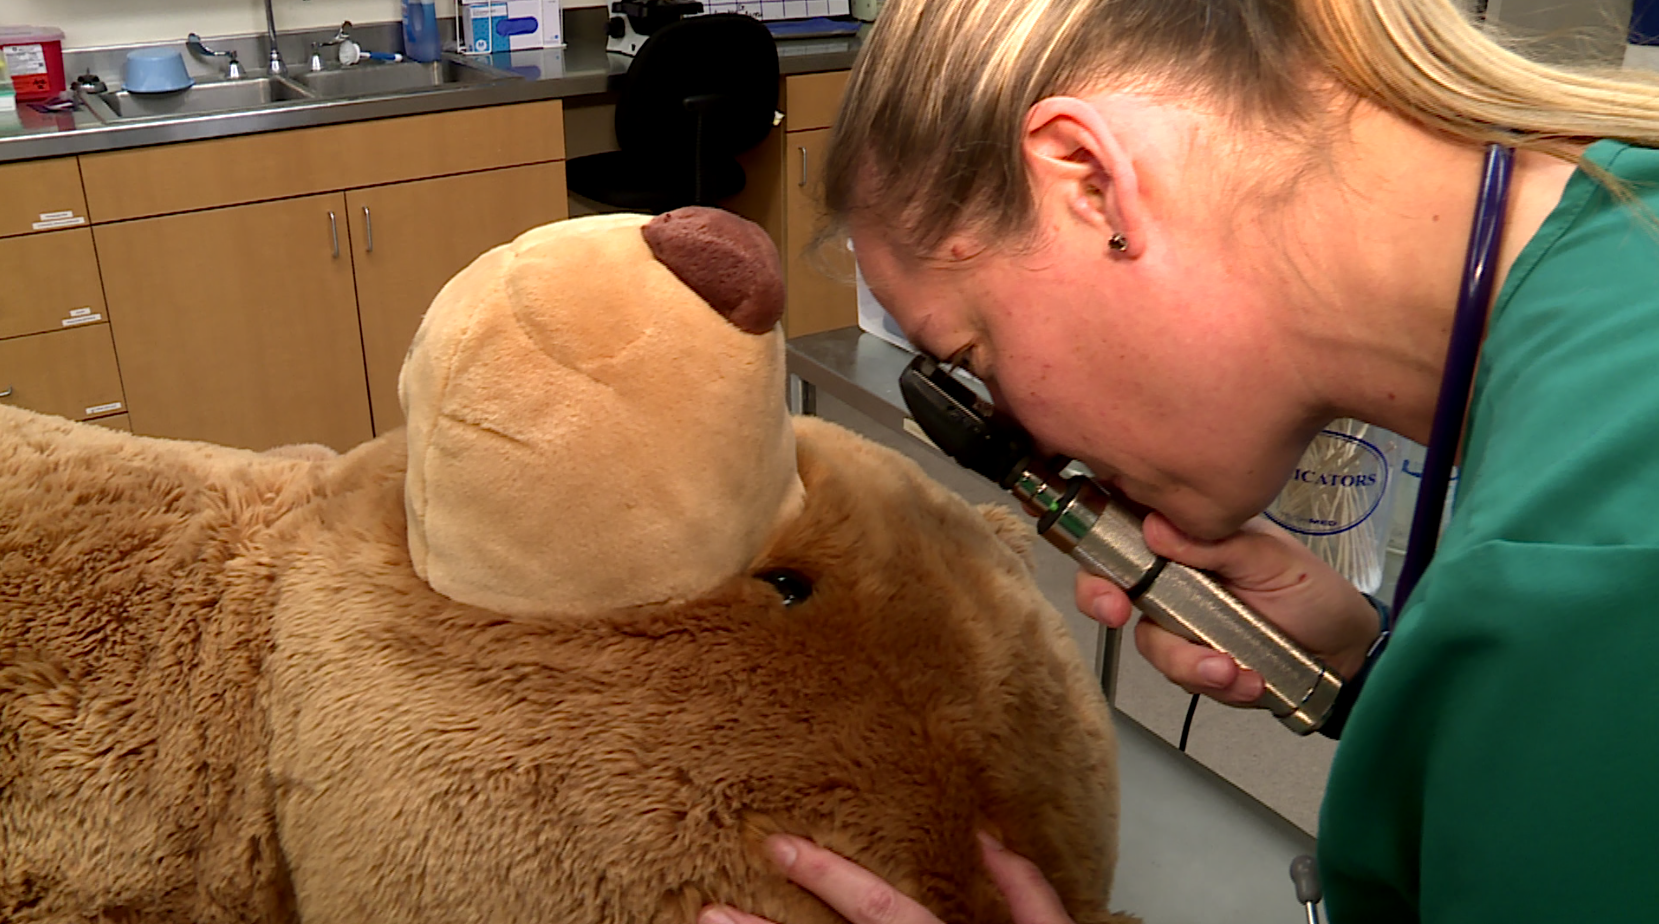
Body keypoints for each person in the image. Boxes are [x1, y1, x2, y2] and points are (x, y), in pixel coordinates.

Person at [698, 0, 1659, 922]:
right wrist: (1393, 677)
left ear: (1087, 180)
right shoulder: (1617, 264)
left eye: (971, 357)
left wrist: (1518, 655)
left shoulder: (1581, 576)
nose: (1029, 441)